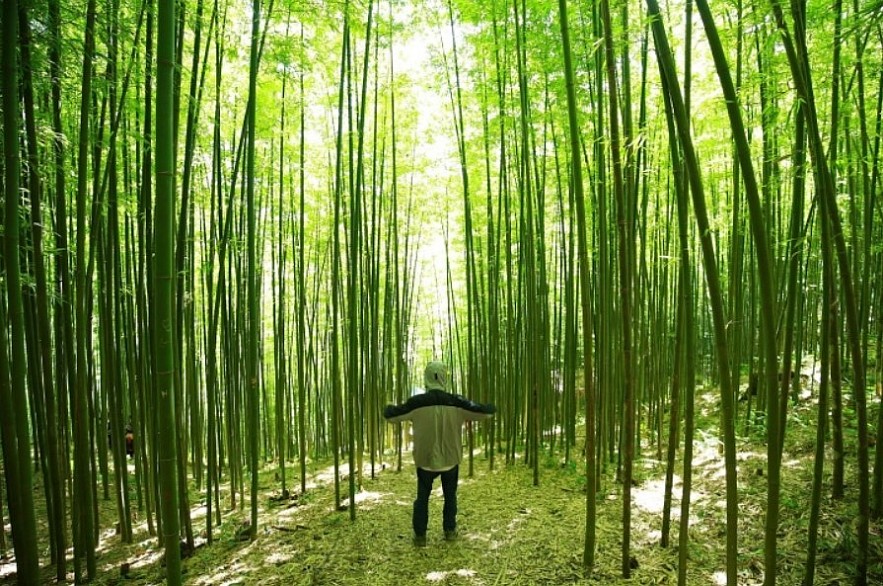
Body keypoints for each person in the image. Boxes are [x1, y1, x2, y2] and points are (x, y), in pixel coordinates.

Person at [383, 361, 496, 547]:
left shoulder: (416, 403)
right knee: (450, 496)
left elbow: (391, 416)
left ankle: (420, 536)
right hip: (451, 460)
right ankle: (449, 531)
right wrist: (490, 406)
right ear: (444, 377)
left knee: (422, 498)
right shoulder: (456, 401)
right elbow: (485, 412)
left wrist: (387, 407)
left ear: (426, 378)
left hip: (425, 460)